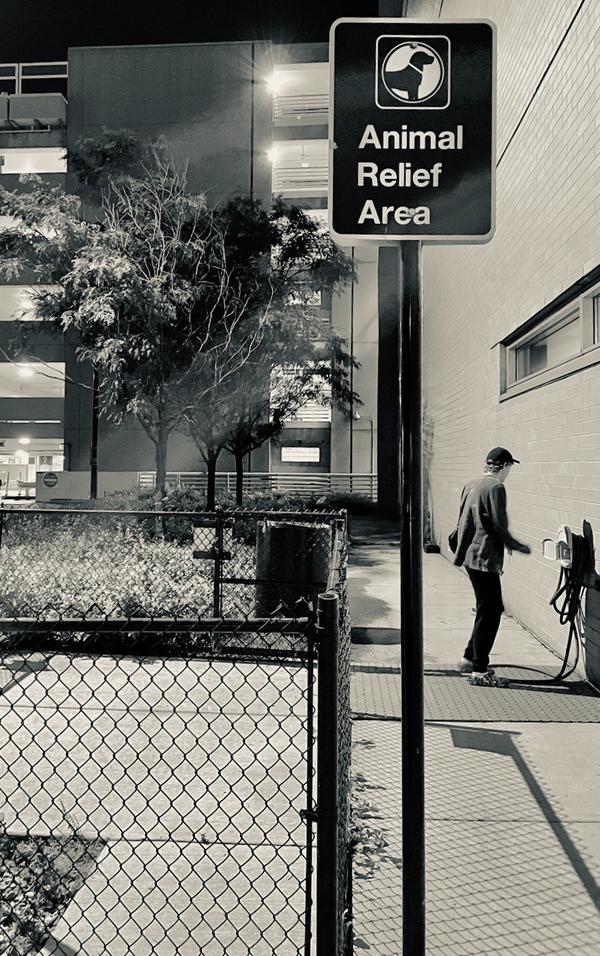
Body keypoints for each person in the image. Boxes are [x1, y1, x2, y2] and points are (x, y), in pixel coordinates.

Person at [453, 447, 531, 687]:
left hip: (470, 555)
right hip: (484, 557)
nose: (509, 473)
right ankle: (479, 670)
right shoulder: (496, 487)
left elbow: (465, 519)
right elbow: (498, 523)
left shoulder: (472, 484)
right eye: (509, 468)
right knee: (491, 610)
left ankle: (469, 658)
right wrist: (516, 545)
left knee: (487, 607)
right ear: (504, 466)